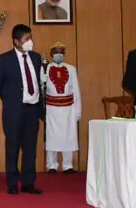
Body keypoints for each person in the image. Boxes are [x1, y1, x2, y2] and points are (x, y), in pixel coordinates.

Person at [0, 24, 43, 195]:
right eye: (26, 39)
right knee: (13, 147)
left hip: (32, 110)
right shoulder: (4, 60)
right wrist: (11, 99)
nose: (30, 42)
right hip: (14, 111)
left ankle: (29, 183)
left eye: (31, 38)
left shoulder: (36, 58)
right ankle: (12, 183)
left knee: (30, 149)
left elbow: (38, 83)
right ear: (16, 41)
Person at [42, 41, 81, 174]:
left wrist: (77, 110)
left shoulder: (71, 69)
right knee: (51, 137)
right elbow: (42, 86)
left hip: (68, 108)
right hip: (52, 108)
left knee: (68, 136)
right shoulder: (45, 68)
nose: (58, 54)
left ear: (64, 54)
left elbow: (76, 90)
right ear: (52, 54)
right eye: (55, 52)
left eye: (61, 52)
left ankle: (67, 165)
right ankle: (51, 164)